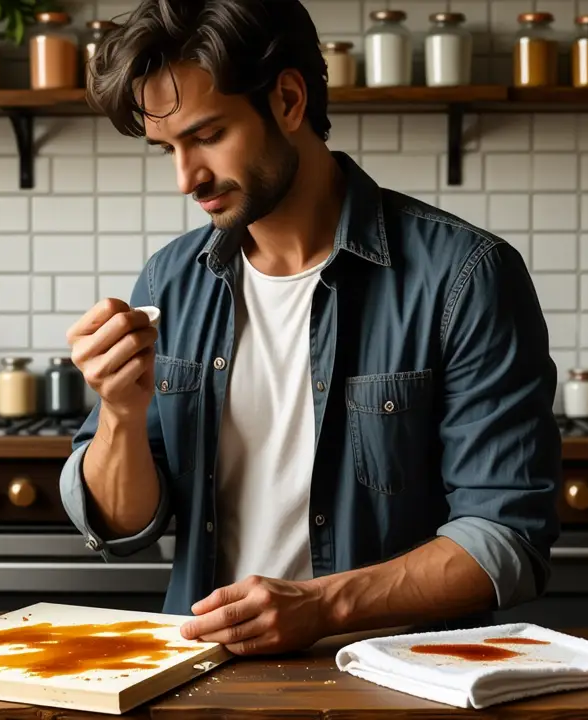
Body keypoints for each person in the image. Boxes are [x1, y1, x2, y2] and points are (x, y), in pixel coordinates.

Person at [60, 0, 560, 656]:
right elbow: (123, 531)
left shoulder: (465, 277)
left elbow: (507, 539)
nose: (188, 178)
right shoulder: (169, 281)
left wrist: (322, 607)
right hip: (203, 679)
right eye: (169, 149)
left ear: (289, 100)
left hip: (397, 686)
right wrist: (120, 414)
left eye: (208, 135)